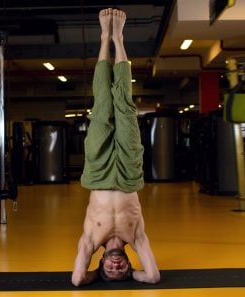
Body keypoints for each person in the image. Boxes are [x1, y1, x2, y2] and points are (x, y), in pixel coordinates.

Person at [71, 8, 160, 287]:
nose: (115, 265)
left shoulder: (91, 240)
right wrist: (136, 275)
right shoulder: (137, 238)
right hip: (129, 175)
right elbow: (154, 276)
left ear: (101, 264)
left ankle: (104, 37)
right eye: (120, 270)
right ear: (129, 264)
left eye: (110, 269)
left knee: (101, 108)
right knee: (124, 107)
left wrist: (94, 276)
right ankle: (119, 39)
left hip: (97, 174)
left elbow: (76, 280)